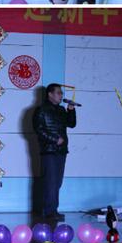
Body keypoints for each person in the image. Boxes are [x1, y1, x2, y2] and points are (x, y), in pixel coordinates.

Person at [32, 83, 76, 220]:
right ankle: (49, 211)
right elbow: (39, 130)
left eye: (61, 93)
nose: (61, 95)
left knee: (57, 182)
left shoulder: (61, 110)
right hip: (49, 150)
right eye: (58, 92)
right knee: (50, 182)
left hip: (61, 151)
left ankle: (52, 210)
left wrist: (71, 110)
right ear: (50, 94)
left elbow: (71, 124)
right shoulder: (41, 110)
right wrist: (54, 139)